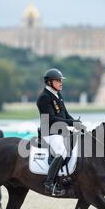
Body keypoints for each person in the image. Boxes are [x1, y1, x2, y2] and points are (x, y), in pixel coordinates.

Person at [36, 68, 84, 196]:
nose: (61, 83)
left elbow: (65, 114)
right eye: (58, 80)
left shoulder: (58, 94)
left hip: (61, 130)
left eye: (61, 80)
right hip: (50, 132)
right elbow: (51, 119)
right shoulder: (44, 97)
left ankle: (65, 177)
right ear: (49, 82)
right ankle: (49, 183)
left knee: (76, 147)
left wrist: (76, 123)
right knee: (62, 152)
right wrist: (71, 123)